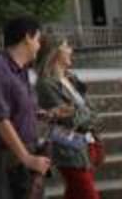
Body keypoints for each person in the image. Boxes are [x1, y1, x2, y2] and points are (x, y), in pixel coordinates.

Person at [0, 15, 51, 198]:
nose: (39, 46)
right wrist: (27, 158)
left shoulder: (22, 71)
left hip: (22, 152)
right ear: (27, 38)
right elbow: (0, 119)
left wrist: (41, 114)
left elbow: (17, 108)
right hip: (5, 156)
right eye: (37, 40)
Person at [36, 39, 100, 199]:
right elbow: (70, 119)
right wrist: (84, 113)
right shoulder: (46, 84)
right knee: (88, 194)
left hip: (87, 145)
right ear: (54, 53)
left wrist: (80, 112)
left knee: (75, 192)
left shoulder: (71, 78)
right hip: (68, 148)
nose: (71, 49)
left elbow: (94, 111)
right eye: (66, 46)